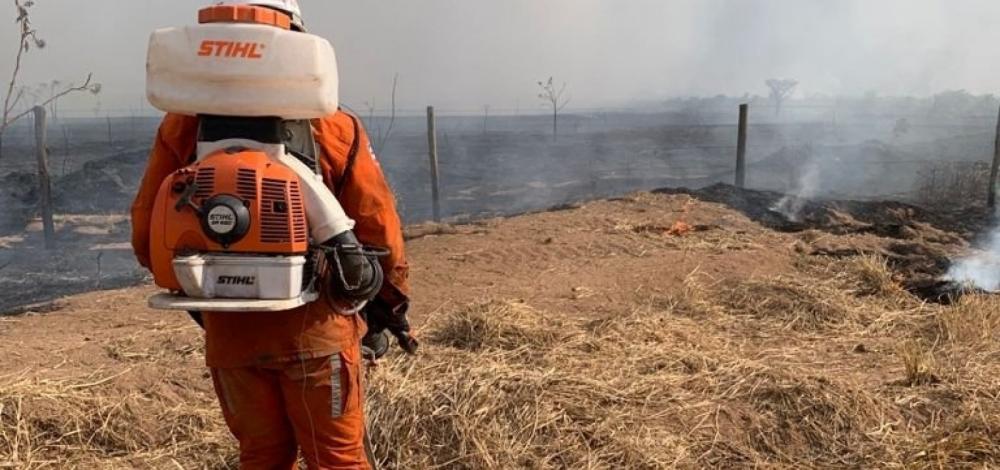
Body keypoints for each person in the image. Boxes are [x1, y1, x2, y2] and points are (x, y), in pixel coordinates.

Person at [131, 1, 415, 467]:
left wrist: (216, 291)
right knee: (338, 459)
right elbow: (378, 226)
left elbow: (148, 236)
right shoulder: (334, 126)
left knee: (261, 456)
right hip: (317, 332)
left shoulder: (180, 129)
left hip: (231, 339)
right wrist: (388, 309)